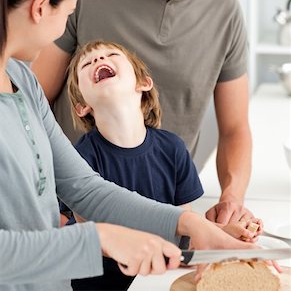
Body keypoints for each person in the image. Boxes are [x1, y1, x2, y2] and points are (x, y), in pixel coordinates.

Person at [0, 0, 256, 291]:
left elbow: (86, 188)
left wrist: (191, 225)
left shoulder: (23, 83)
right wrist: (98, 239)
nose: (66, 30)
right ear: (41, 8)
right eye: (68, 13)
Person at [32, 0, 253, 226]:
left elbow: (235, 128)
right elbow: (34, 103)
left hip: (168, 217)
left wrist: (232, 197)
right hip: (75, 213)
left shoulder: (225, 12)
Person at [62, 39, 262, 291]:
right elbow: (90, 237)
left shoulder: (173, 149)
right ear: (82, 106)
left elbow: (182, 229)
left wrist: (223, 233)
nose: (99, 60)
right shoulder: (80, 158)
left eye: (111, 55)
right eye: (87, 64)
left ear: (143, 83)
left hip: (157, 280)